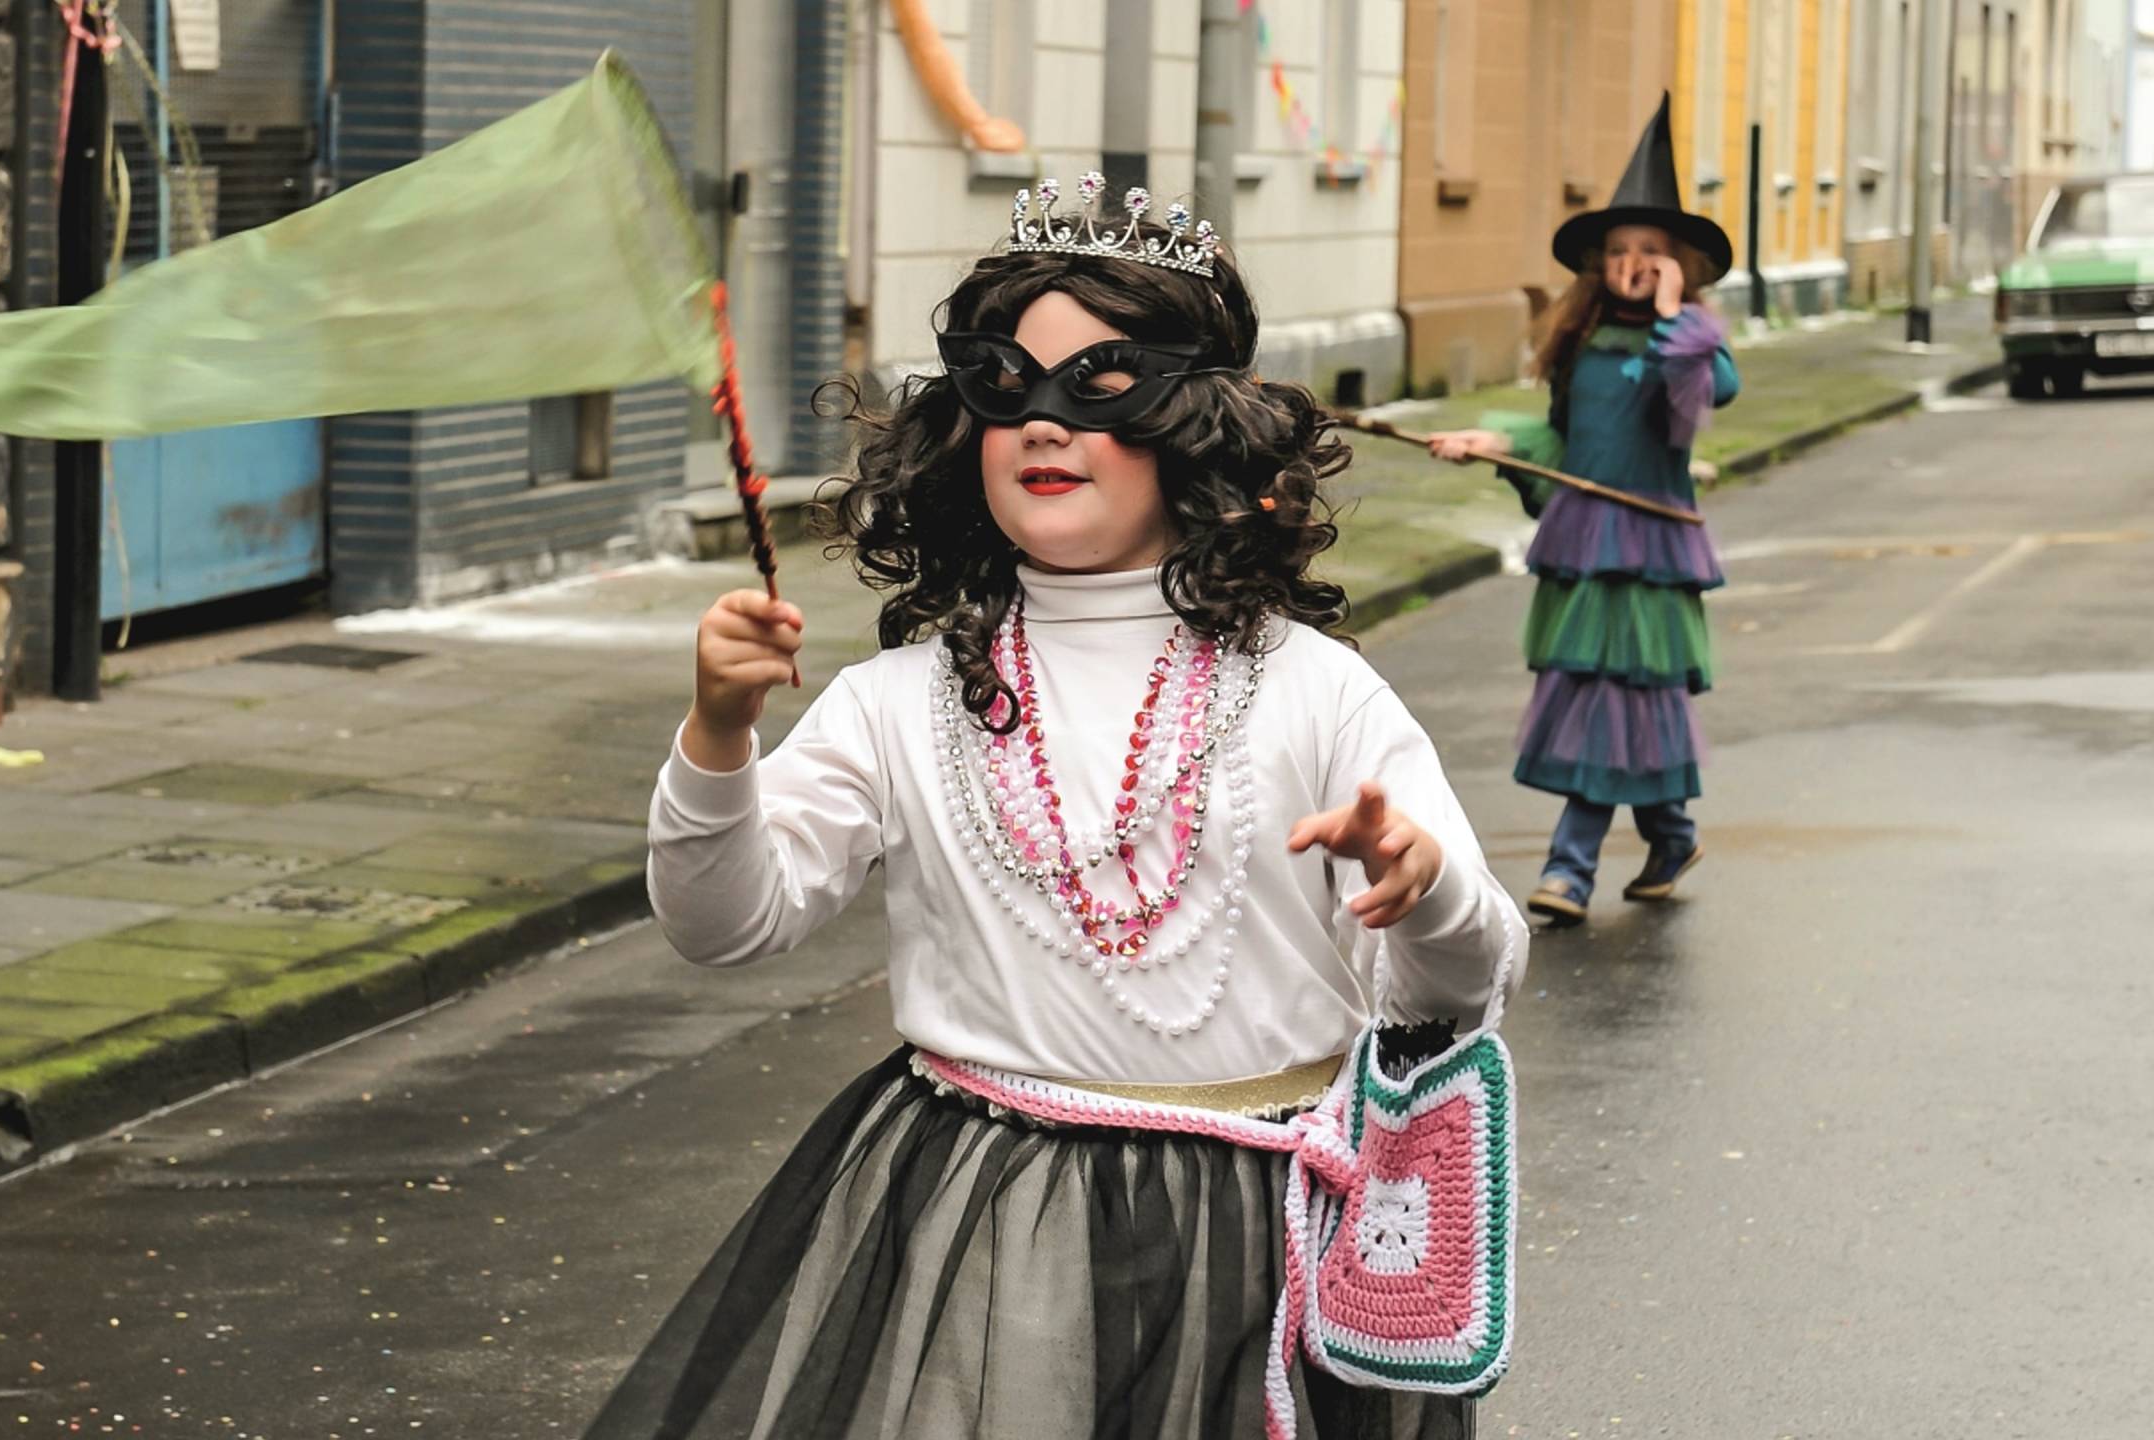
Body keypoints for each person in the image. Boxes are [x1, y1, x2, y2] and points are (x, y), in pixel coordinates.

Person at [583, 177, 1527, 1440]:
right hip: (983, 1214)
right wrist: (718, 733)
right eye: (1004, 386)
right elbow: (722, 923)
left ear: (1193, 424)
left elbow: (1466, 984)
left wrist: (1428, 888)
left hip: (1259, 1231)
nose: (1044, 425)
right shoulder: (894, 703)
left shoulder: (1313, 692)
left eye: (1100, 386)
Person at [1423, 96, 1738, 928]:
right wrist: (1487, 439)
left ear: (1681, 269)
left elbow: (1705, 394)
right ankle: (1670, 835)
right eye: (1620, 251)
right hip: (1582, 544)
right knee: (1608, 699)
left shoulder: (1692, 345)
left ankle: (1570, 866)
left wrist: (1675, 316)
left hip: (1651, 551)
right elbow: (1562, 444)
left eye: (1653, 254)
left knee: (1624, 701)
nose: (1632, 263)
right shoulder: (1584, 346)